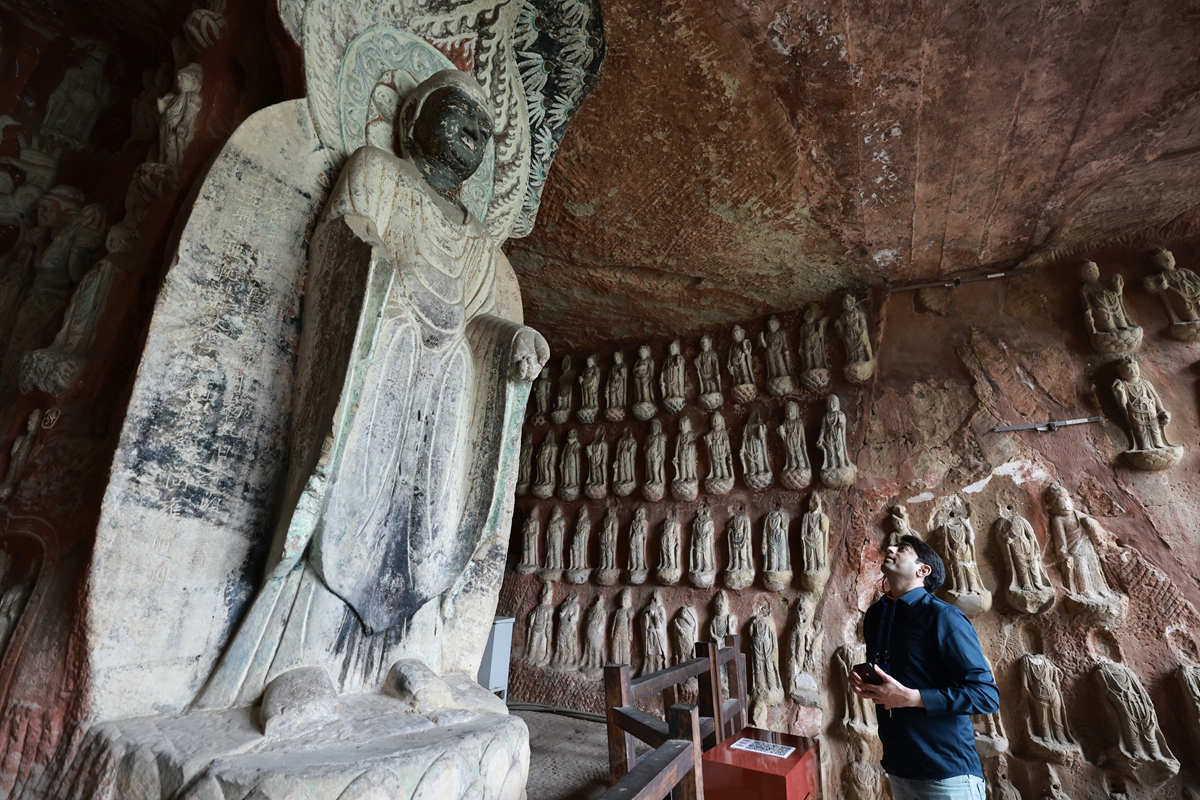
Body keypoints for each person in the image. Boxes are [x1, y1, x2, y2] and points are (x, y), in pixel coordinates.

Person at [850, 535, 999, 800]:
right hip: (899, 769)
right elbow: (899, 677)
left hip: (947, 774)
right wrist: (868, 682)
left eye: (903, 548)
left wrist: (914, 698)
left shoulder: (943, 615)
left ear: (923, 570)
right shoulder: (875, 616)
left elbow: (986, 695)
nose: (890, 548)